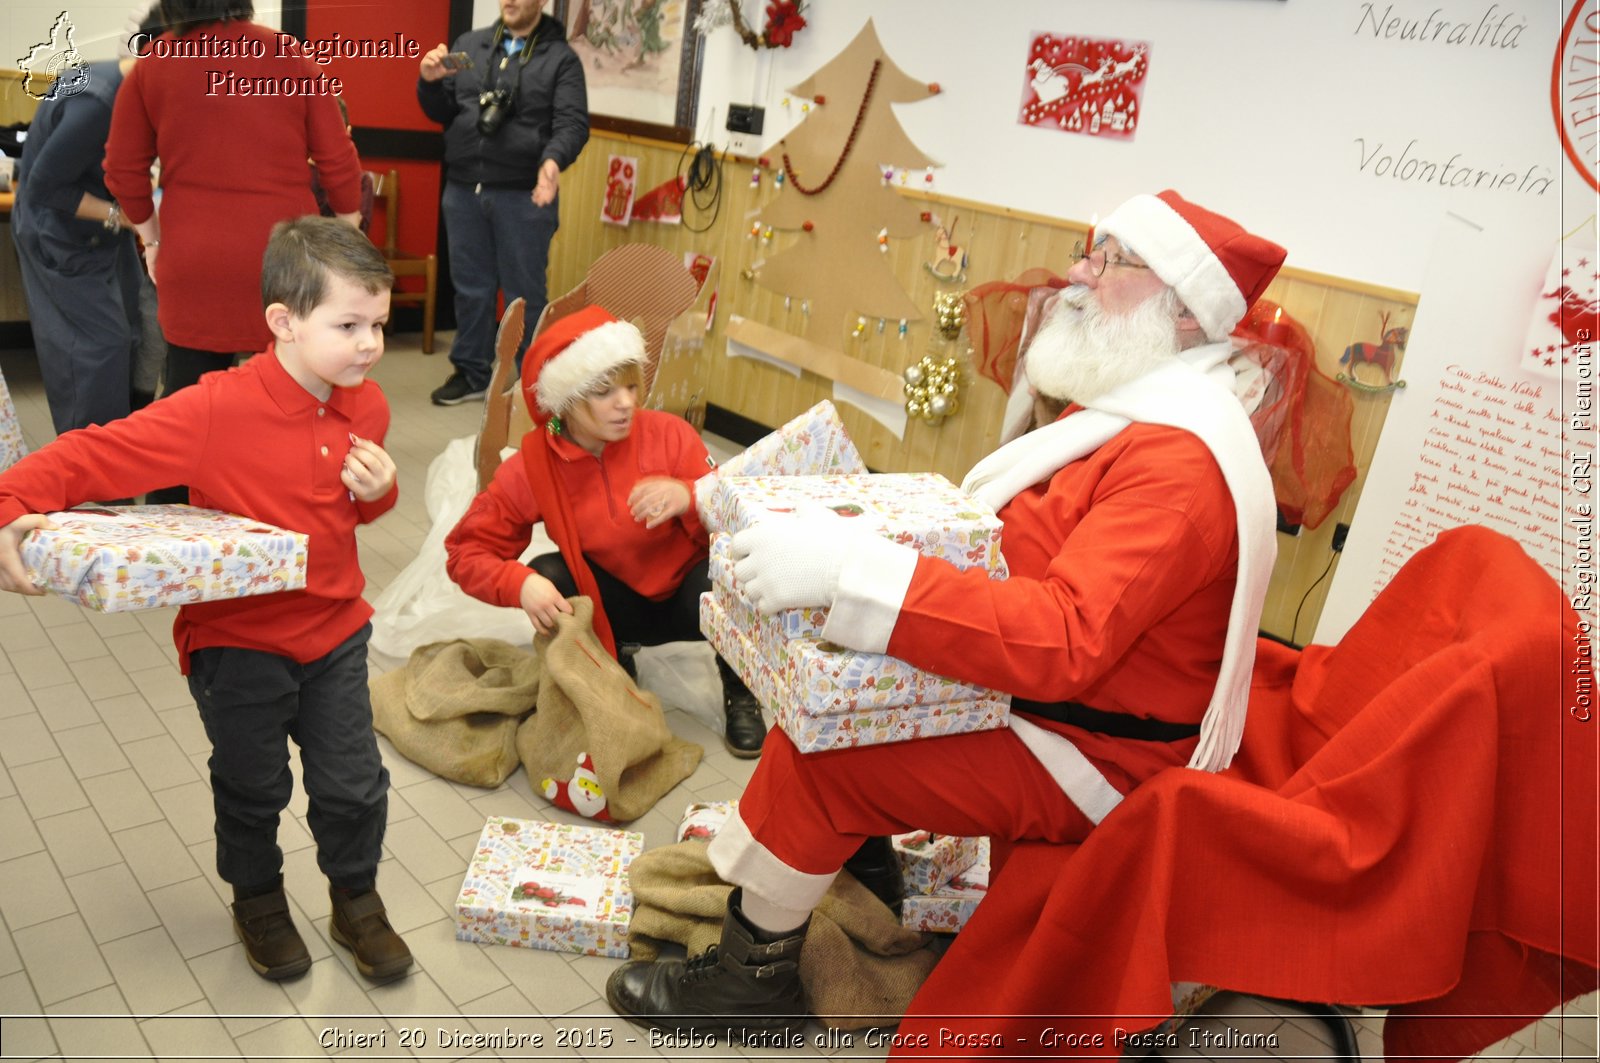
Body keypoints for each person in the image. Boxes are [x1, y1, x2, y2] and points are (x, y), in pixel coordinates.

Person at [603, 190, 1289, 1031]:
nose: (1078, 272)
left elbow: (1064, 639)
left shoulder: (1180, 466)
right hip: (1059, 700)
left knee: (828, 750)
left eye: (1112, 261)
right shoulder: (1144, 408)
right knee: (845, 696)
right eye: (1090, 249)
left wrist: (857, 569)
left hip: (1094, 746)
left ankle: (751, 986)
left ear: (1183, 314)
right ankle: (872, 889)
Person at [0, 217, 412, 985]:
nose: (368, 344)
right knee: (252, 786)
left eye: (379, 325)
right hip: (238, 645)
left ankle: (356, 896)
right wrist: (7, 504)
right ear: (283, 324)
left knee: (353, 785)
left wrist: (380, 492)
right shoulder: (215, 407)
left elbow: (351, 515)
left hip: (335, 636)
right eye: (349, 324)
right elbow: (96, 453)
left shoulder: (369, 407)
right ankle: (256, 897)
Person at [443, 305, 769, 757]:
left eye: (632, 386)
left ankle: (740, 687)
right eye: (604, 392)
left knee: (732, 572)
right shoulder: (534, 466)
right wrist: (520, 585)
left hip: (686, 601)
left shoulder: (670, 435)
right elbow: (465, 551)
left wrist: (692, 497)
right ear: (566, 401)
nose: (627, 403)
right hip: (608, 606)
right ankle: (612, 660)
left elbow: (750, 526)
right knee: (547, 572)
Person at [104, 0, 364, 501]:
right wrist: (347, 230)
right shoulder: (290, 55)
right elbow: (337, 158)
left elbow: (122, 169)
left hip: (194, 255)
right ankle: (282, 510)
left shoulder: (154, 63)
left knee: (186, 395)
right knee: (291, 390)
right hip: (286, 257)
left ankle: (174, 526)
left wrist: (152, 238)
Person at [416, 0, 589, 406]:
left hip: (523, 196)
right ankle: (471, 373)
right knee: (470, 289)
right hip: (463, 189)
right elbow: (444, 109)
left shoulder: (562, 60)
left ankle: (535, 382)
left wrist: (552, 161)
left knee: (524, 294)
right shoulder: (469, 46)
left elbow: (572, 123)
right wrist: (428, 82)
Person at [12, 4, 166, 437]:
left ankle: (118, 454)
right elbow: (43, 188)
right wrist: (128, 218)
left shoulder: (134, 93)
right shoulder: (98, 99)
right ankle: (90, 484)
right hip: (59, 233)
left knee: (135, 335)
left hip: (100, 229)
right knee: (97, 350)